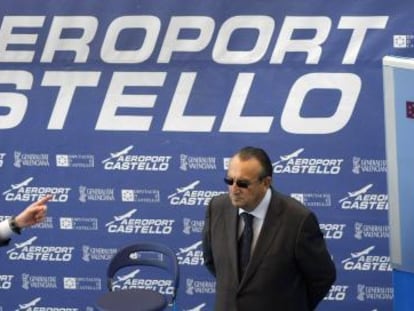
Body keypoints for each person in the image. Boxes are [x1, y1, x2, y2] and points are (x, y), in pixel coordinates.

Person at [202, 146, 336, 311]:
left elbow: (322, 277)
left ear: (266, 183)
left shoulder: (298, 220)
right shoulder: (216, 207)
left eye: (243, 183)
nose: (234, 189)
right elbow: (212, 261)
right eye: (229, 181)